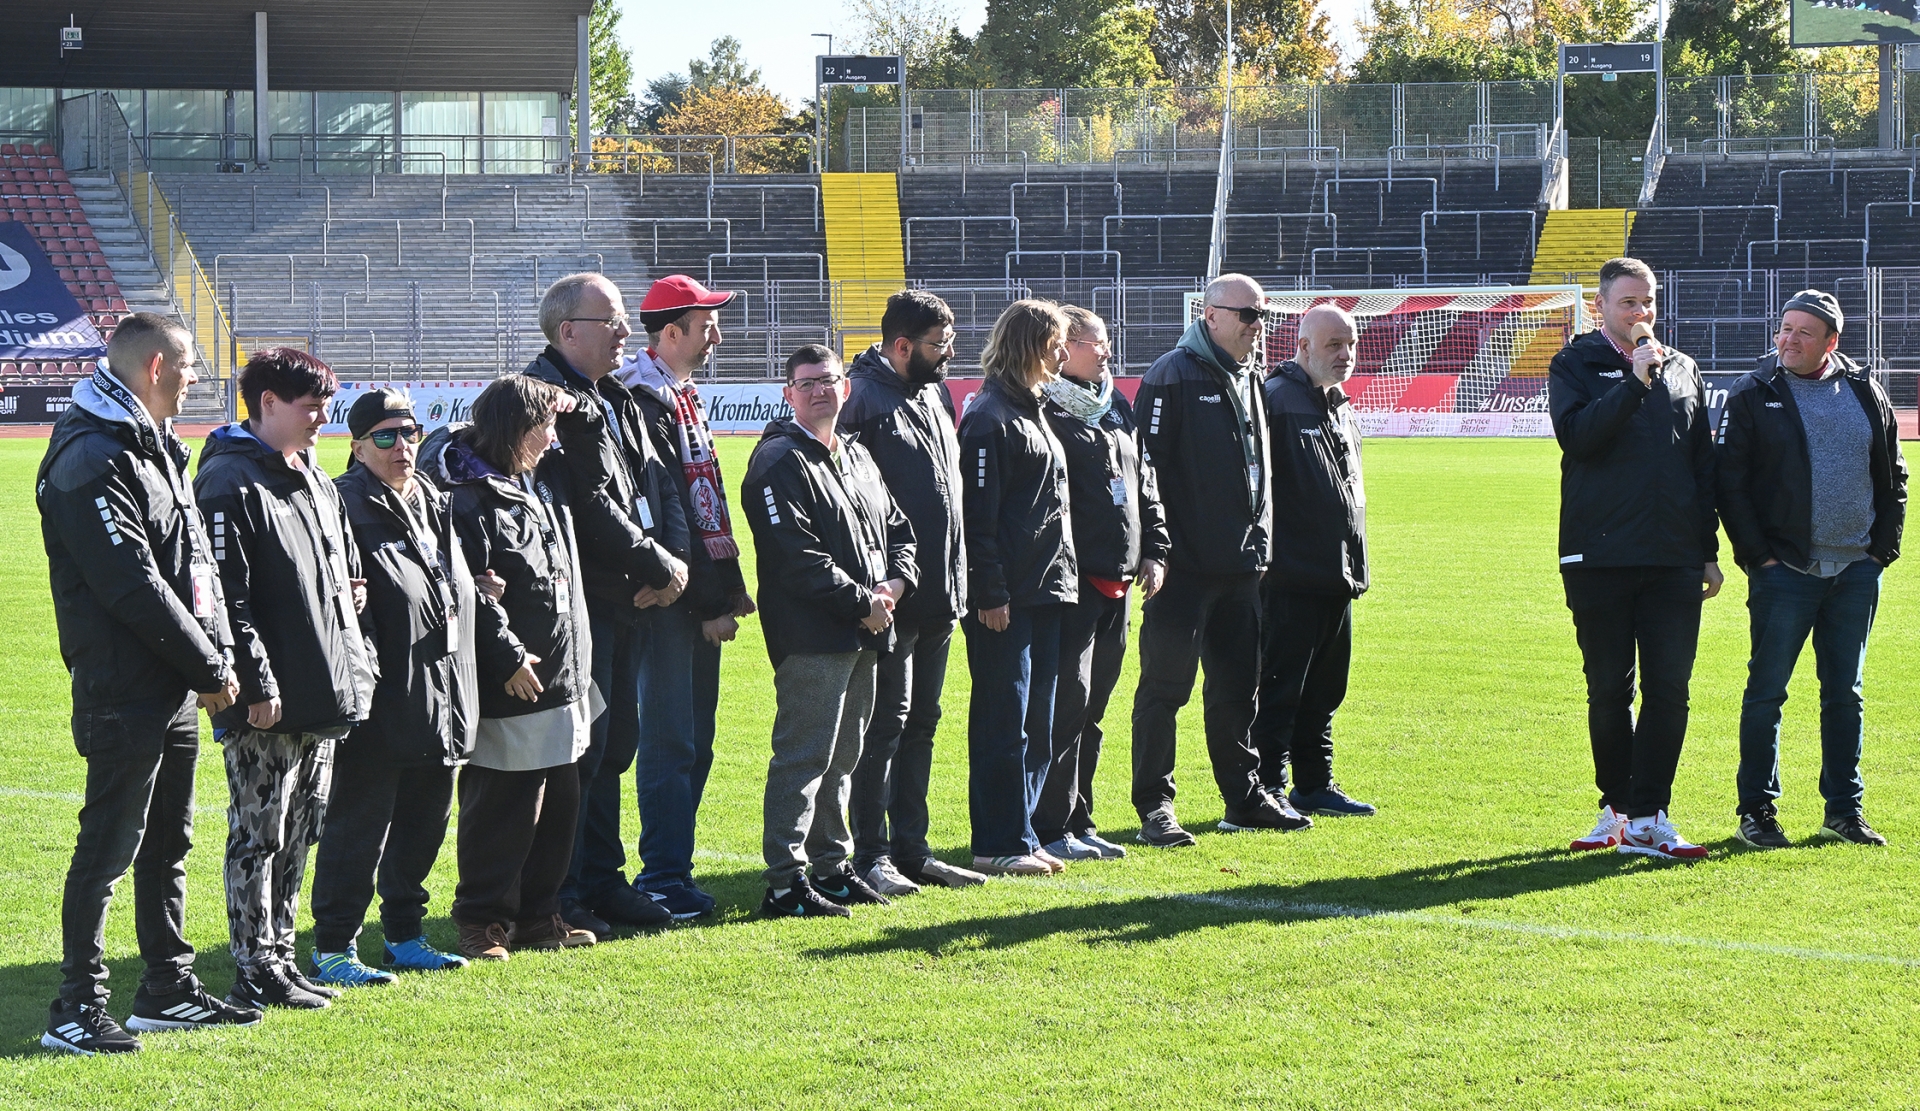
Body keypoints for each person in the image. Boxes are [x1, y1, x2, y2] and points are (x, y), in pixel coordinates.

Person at [37, 315, 260, 1055]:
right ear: (157, 366)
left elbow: (189, 566)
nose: (197, 377)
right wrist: (211, 667)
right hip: (124, 686)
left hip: (171, 682)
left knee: (168, 840)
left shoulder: (149, 441)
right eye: (190, 364)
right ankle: (75, 1006)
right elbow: (131, 584)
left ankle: (166, 987)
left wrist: (212, 656)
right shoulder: (90, 453)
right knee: (108, 847)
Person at [195, 349, 376, 1011]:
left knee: (301, 830)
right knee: (259, 835)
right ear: (267, 402)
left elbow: (342, 570)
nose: (322, 418)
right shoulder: (227, 481)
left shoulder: (314, 476)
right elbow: (226, 596)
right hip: (268, 700)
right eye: (311, 406)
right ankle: (254, 965)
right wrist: (256, 683)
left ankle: (283, 956)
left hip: (323, 686)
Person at [524, 273, 685, 938]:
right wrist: (657, 564)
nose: (625, 332)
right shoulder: (542, 400)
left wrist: (669, 561)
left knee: (614, 746)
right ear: (568, 331)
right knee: (578, 754)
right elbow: (586, 502)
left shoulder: (615, 393)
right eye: (610, 321)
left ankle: (601, 879)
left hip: (627, 598)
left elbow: (659, 483)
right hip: (580, 605)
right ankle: (558, 893)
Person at [306, 389, 485, 987]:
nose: (401, 446)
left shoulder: (433, 498)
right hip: (378, 695)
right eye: (384, 436)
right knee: (358, 825)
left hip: (443, 687)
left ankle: (405, 935)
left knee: (424, 820)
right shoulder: (341, 503)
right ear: (357, 447)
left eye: (409, 433)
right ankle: (334, 946)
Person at [1718, 290, 1907, 849]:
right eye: (1784, 328)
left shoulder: (1865, 389)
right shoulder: (1754, 392)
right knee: (1766, 693)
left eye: (1803, 331)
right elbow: (1730, 484)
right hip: (1784, 573)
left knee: (1845, 694)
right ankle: (1756, 813)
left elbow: (1894, 476)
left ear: (1831, 340)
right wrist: (1760, 557)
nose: (1788, 340)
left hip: (1856, 571)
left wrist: (1881, 552)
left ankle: (1844, 812)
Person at [1550, 256, 1722, 861]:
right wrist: (1633, 382)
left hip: (1673, 559)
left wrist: (1707, 551)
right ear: (1599, 306)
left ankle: (1650, 816)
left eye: (1648, 301)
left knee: (1669, 689)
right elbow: (1578, 437)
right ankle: (1617, 810)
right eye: (1629, 302)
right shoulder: (1575, 363)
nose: (1641, 312)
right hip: (1598, 556)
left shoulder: (1683, 368)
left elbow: (1701, 466)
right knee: (1608, 690)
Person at [742, 345, 917, 916]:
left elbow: (899, 529)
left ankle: (832, 868)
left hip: (868, 629)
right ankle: (785, 882)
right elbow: (796, 557)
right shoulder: (777, 461)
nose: (819, 390)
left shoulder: (858, 454)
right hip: (813, 635)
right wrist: (862, 602)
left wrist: (895, 586)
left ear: (846, 389)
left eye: (829, 380)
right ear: (788, 393)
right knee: (804, 757)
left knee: (843, 757)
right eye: (807, 382)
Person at [432, 375, 600, 960]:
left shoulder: (536, 479)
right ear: (516, 429)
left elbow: (594, 461)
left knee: (560, 802)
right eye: (545, 426)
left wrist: (573, 409)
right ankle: (482, 921)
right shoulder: (467, 496)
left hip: (561, 669)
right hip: (514, 675)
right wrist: (505, 655)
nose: (554, 438)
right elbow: (469, 590)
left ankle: (537, 915)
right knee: (504, 804)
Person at [1131, 273, 1289, 847]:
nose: (1257, 325)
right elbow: (1145, 469)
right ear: (1211, 314)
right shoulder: (1171, 374)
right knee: (1164, 690)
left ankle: (1243, 799)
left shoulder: (1251, 376)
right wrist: (1158, 550)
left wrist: (1261, 545)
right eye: (1248, 314)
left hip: (1243, 567)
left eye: (1263, 314)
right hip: (1184, 571)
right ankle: (1155, 806)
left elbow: (1258, 473)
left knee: (1237, 690)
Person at [616, 274, 756, 919]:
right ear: (671, 332)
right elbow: (670, 514)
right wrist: (708, 601)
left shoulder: (677, 396)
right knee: (672, 741)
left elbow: (708, 508)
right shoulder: (643, 403)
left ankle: (673, 869)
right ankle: (662, 874)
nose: (716, 336)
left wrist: (727, 591)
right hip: (670, 599)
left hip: (693, 593)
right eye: (706, 325)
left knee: (694, 741)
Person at [838, 290, 985, 894]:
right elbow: (846, 501)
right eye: (938, 344)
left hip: (941, 593)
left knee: (922, 721)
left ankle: (912, 850)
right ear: (902, 346)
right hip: (891, 597)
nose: (948, 354)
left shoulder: (932, 391)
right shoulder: (860, 400)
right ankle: (871, 854)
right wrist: (877, 585)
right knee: (884, 727)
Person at [1033, 305, 1167, 861]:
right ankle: (1049, 826)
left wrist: (1155, 549)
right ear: (1064, 348)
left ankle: (1079, 819)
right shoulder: (1043, 409)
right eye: (1096, 343)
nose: (1106, 351)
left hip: (1121, 578)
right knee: (1066, 708)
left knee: (1093, 710)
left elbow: (1144, 480)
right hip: (1072, 582)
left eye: (1106, 342)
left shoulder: (1115, 403)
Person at [960, 299, 1080, 876]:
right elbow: (977, 516)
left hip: (1045, 589)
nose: (1063, 353)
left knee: (1038, 724)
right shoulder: (989, 417)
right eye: (1055, 344)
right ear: (1030, 345)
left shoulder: (1033, 408)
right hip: (1007, 597)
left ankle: (1022, 833)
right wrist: (990, 592)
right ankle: (997, 842)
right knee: (1003, 723)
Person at [1254, 304, 1377, 819]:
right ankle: (1267, 787)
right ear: (1302, 346)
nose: (1345, 354)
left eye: (1350, 345)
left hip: (1336, 573)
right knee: (1280, 688)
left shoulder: (1339, 404)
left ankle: (1314, 783)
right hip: (1290, 574)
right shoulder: (1277, 399)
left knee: (1325, 690)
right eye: (1334, 345)